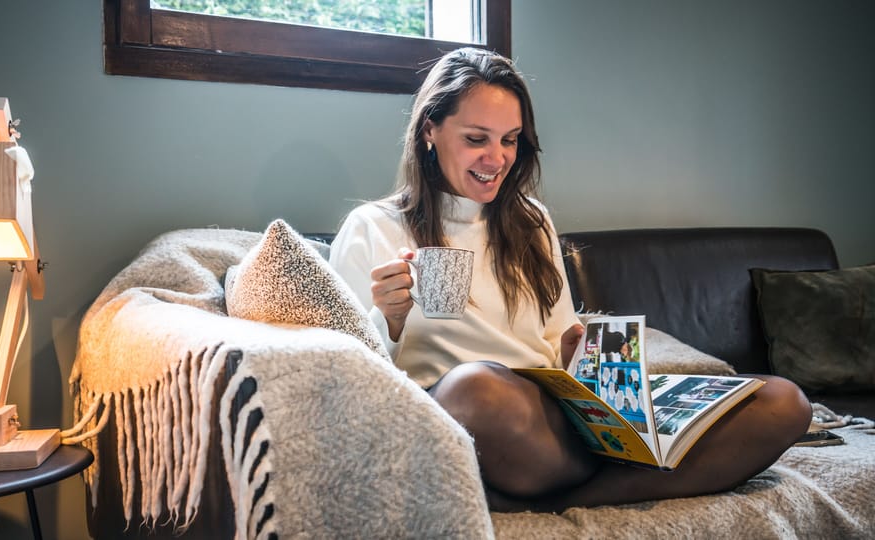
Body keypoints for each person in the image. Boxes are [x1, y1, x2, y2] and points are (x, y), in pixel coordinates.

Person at [328, 47, 812, 512]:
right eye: (477, 139)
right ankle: (624, 474)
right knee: (476, 387)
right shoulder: (374, 228)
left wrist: (581, 356)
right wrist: (388, 319)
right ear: (430, 130)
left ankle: (553, 496)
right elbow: (345, 382)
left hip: (554, 420)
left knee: (782, 402)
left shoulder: (530, 221)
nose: (496, 159)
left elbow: (558, 341)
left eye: (510, 139)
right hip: (472, 417)